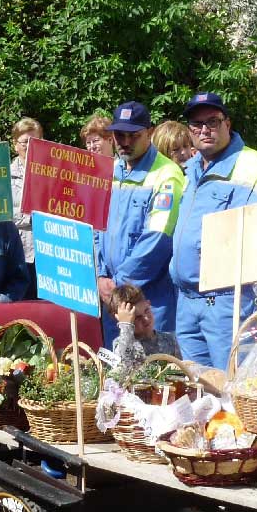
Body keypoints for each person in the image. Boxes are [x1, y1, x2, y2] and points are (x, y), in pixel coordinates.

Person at [168, 92, 257, 370]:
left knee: (235, 389)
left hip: (228, 303)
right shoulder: (189, 170)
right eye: (197, 124)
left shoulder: (254, 167)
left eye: (212, 121)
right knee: (199, 393)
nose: (205, 130)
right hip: (187, 302)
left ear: (228, 123)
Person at [96, 100, 185, 348]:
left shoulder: (167, 175)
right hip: (112, 296)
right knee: (118, 371)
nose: (124, 142)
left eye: (133, 135)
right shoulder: (109, 171)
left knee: (154, 376)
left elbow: (158, 238)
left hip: (148, 299)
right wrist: (101, 273)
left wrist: (120, 285)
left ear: (150, 132)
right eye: (118, 135)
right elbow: (96, 226)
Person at [109, 284, 181, 374]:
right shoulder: (121, 344)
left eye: (147, 310)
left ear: (148, 304)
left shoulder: (169, 340)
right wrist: (126, 326)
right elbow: (123, 368)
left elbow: (181, 371)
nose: (146, 319)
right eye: (137, 317)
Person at [9, 118, 42, 296]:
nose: (30, 146)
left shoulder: (52, 172)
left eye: (35, 142)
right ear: (15, 145)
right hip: (20, 253)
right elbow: (5, 213)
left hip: (48, 252)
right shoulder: (6, 176)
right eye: (24, 142)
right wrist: (35, 218)